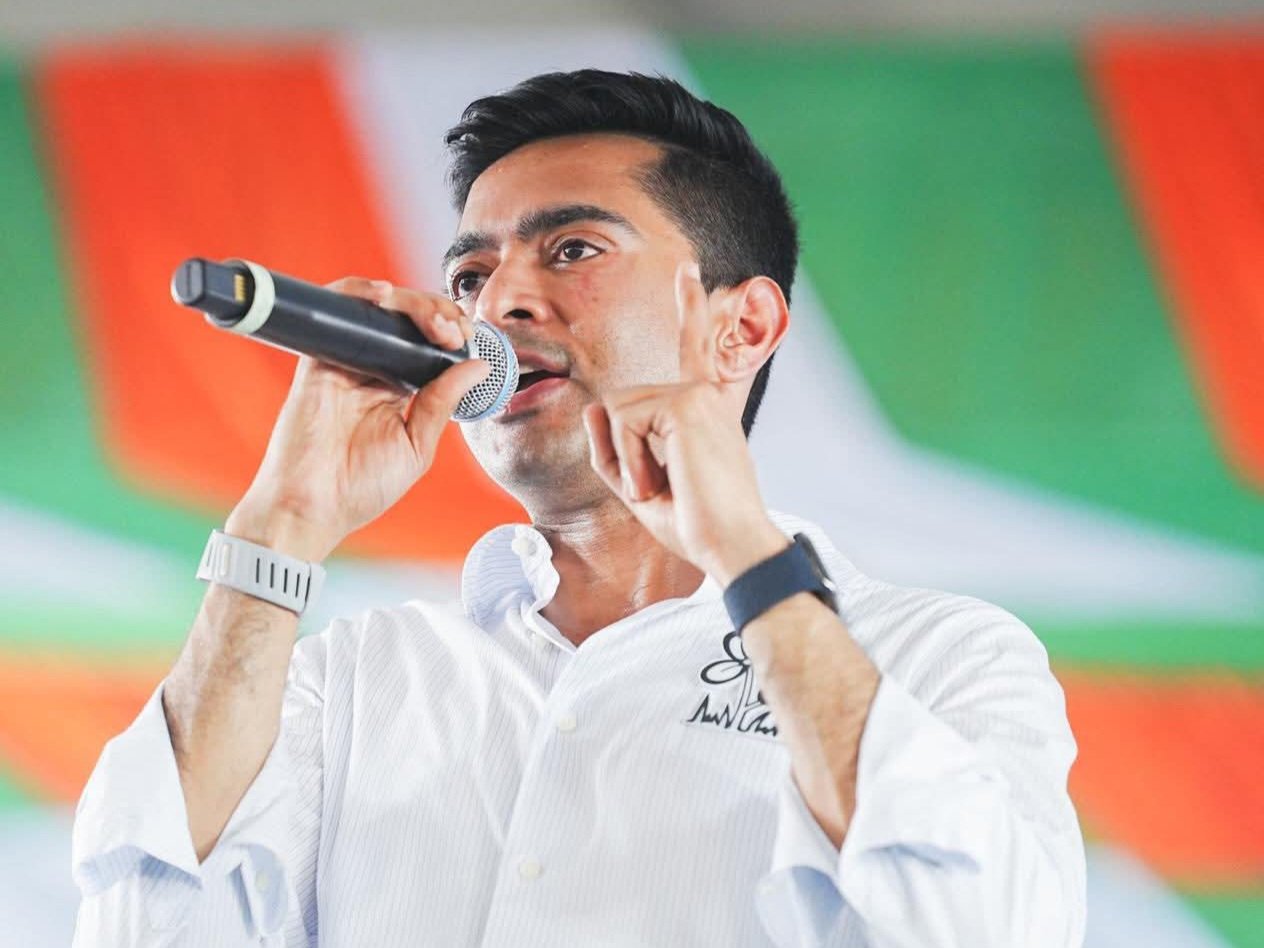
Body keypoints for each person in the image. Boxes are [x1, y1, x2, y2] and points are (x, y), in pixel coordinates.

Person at [70, 70, 1086, 947]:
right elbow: (142, 921)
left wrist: (742, 550)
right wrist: (283, 519)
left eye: (571, 251)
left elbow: (982, 926)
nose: (497, 304)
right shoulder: (356, 678)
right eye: (470, 275)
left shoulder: (938, 657)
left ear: (741, 328)